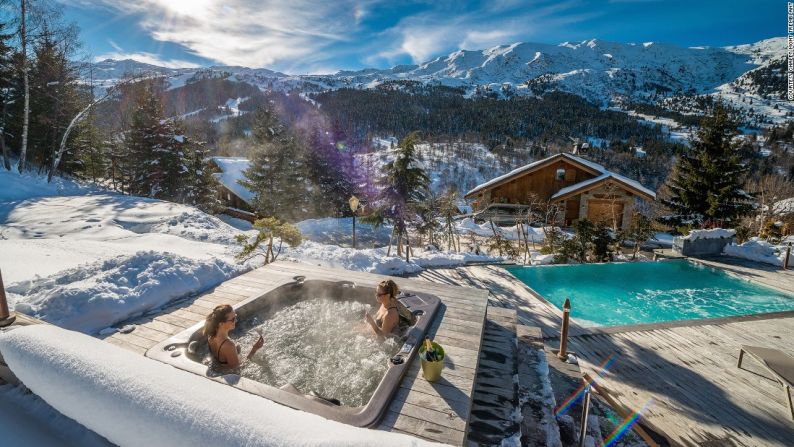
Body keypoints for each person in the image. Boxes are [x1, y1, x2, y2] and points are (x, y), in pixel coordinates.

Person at [203, 304, 263, 370]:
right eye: (233, 319)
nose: (236, 321)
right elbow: (238, 369)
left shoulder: (211, 336)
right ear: (221, 324)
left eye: (235, 317)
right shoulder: (228, 345)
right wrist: (254, 349)